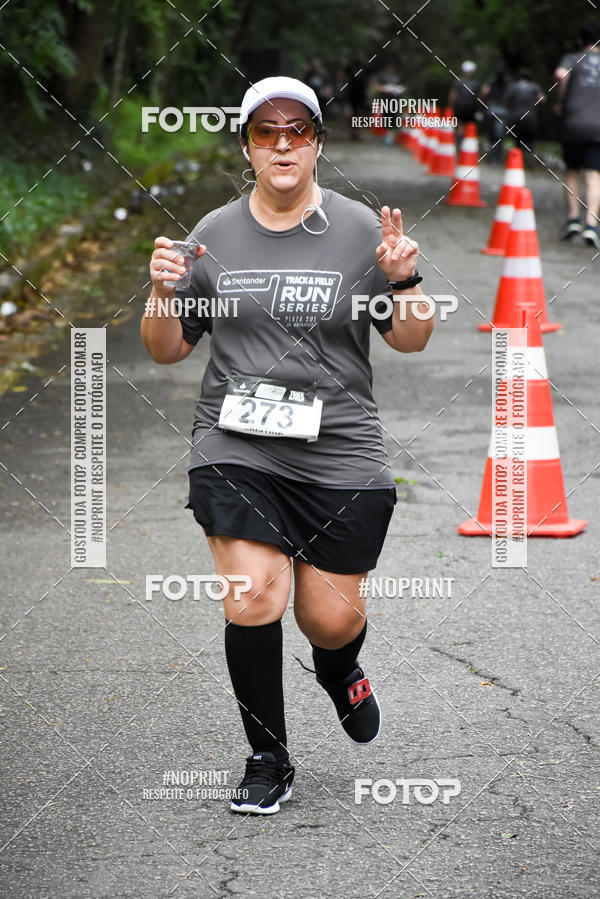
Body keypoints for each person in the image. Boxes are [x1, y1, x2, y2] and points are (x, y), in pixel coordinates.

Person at [141, 76, 433, 816]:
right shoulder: (210, 233)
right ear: (246, 146)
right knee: (254, 595)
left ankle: (340, 670)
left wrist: (405, 280)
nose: (280, 143)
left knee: (327, 619)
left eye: (295, 130)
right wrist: (163, 293)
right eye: (264, 131)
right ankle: (268, 755)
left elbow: (412, 336)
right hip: (237, 445)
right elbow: (167, 350)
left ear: (316, 144)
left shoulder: (361, 228)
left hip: (339, 448)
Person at [555, 24, 600, 247]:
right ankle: (591, 226)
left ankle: (573, 220)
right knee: (594, 176)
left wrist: (561, 101)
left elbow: (560, 75)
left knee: (572, 171)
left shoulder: (573, 58)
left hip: (573, 125)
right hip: (598, 128)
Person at [503, 68, 545, 159]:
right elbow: (542, 99)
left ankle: (518, 160)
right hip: (530, 118)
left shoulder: (513, 86)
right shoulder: (535, 87)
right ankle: (528, 159)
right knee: (529, 141)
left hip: (516, 117)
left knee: (517, 140)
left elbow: (506, 101)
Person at [449, 60, 481, 141]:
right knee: (470, 127)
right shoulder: (476, 83)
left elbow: (453, 96)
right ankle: (467, 143)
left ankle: (459, 142)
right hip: (471, 108)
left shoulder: (458, 81)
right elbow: (478, 97)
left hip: (460, 106)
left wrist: (450, 107)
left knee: (460, 126)